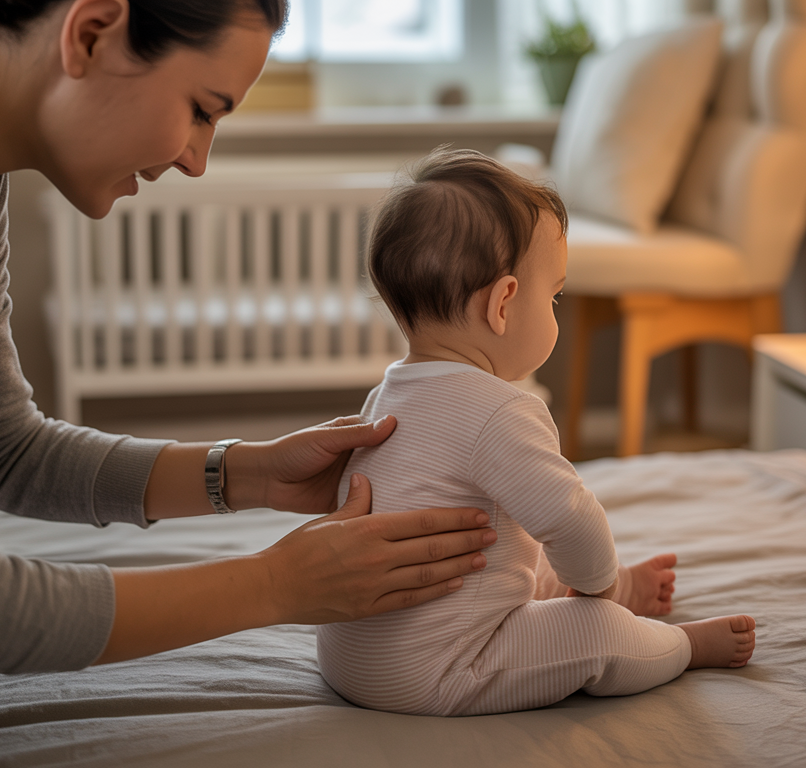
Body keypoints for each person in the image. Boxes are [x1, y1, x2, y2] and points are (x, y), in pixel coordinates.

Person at [0, 0, 500, 739]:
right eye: (202, 109)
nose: (197, 161)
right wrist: (278, 584)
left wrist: (248, 473)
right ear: (92, 31)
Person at [316, 149, 757, 717]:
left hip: (351, 660)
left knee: (513, 544)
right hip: (438, 668)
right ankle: (681, 645)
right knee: (591, 626)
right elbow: (571, 517)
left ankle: (623, 586)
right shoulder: (500, 410)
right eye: (553, 297)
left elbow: (523, 534)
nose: (555, 310)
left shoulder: (389, 394)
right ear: (503, 304)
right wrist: (604, 591)